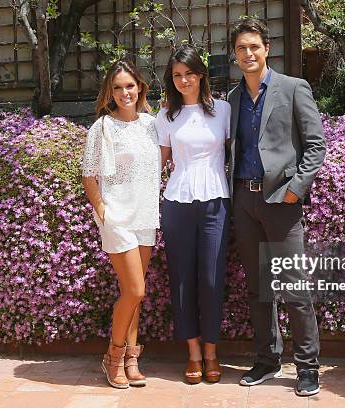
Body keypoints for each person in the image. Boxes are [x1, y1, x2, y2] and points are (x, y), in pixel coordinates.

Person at [227, 18, 327, 396]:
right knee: (258, 288)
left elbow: (316, 145)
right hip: (244, 201)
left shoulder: (293, 88)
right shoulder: (232, 99)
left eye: (254, 46)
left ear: (267, 48)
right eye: (241, 48)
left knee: (294, 288)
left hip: (281, 204)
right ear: (235, 54)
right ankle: (267, 360)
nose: (248, 54)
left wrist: (295, 190)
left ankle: (307, 367)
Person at [155, 45, 231, 384]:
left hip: (217, 202)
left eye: (189, 73)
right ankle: (194, 353)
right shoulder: (165, 117)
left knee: (212, 280)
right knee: (183, 280)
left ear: (201, 74)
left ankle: (213, 351)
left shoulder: (224, 110)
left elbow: (239, 154)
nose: (184, 80)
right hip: (177, 203)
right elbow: (158, 164)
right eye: (177, 76)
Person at [81, 59, 160, 389]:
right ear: (109, 93)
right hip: (118, 218)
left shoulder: (152, 125)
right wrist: (103, 212)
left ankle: (131, 358)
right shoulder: (102, 128)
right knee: (135, 289)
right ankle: (113, 357)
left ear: (140, 87)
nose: (124, 92)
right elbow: (89, 177)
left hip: (145, 216)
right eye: (117, 87)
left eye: (130, 85)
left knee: (135, 295)